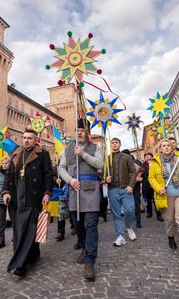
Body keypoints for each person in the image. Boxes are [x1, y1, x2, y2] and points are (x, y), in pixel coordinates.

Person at [2, 129, 53, 279]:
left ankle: (20, 265)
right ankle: (34, 253)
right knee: (19, 230)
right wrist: (5, 192)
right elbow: (9, 174)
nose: (26, 140)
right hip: (17, 197)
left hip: (34, 197)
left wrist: (47, 193)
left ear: (35, 140)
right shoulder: (17, 153)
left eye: (29, 138)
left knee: (29, 229)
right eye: (24, 138)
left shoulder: (43, 154)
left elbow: (48, 174)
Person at [58, 119, 103, 282]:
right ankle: (84, 247)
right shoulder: (67, 148)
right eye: (77, 129)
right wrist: (70, 180)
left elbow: (100, 164)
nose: (79, 132)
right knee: (77, 225)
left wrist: (83, 154)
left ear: (87, 132)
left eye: (83, 130)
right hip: (74, 189)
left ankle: (90, 260)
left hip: (90, 190)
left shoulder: (95, 147)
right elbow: (61, 168)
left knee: (90, 224)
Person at [148, 139, 179, 265]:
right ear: (160, 149)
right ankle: (170, 237)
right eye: (164, 146)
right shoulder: (155, 161)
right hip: (165, 196)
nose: (167, 147)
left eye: (168, 145)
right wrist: (159, 188)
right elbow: (151, 178)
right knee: (169, 220)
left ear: (172, 147)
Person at [107, 138, 137, 247]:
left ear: (120, 144)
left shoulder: (127, 157)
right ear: (110, 145)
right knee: (116, 214)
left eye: (116, 142)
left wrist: (131, 185)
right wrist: (106, 178)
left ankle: (128, 227)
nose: (114, 144)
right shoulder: (107, 159)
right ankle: (120, 235)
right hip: (112, 190)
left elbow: (134, 172)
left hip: (126, 189)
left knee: (130, 210)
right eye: (112, 143)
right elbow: (103, 174)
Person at [122, 149, 143, 229]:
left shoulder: (137, 162)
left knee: (134, 204)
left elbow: (142, 172)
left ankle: (137, 221)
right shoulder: (123, 162)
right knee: (132, 204)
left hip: (134, 186)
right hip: (128, 186)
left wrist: (140, 178)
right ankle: (136, 221)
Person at [141, 152, 163, 221]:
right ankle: (149, 213)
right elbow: (140, 175)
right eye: (146, 156)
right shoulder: (142, 166)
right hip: (147, 185)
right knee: (148, 201)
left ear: (152, 156)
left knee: (156, 200)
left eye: (149, 155)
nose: (147, 156)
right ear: (144, 158)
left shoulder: (156, 164)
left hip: (155, 185)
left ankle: (159, 215)